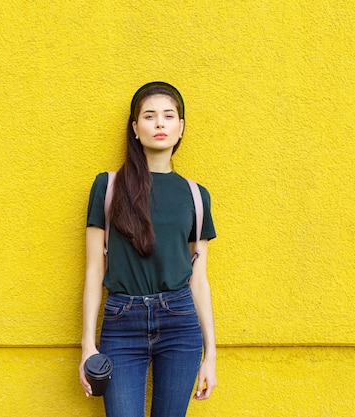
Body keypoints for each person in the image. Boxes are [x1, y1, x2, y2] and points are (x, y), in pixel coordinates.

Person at [79, 81, 218, 417]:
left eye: (169, 116)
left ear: (180, 127)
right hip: (122, 321)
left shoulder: (196, 195)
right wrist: (87, 345)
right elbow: (95, 270)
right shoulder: (109, 186)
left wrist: (211, 354)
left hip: (180, 323)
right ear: (135, 128)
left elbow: (199, 279)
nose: (159, 123)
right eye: (150, 116)